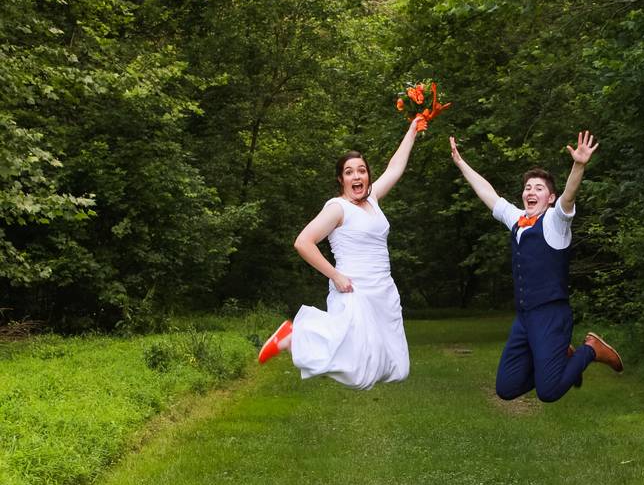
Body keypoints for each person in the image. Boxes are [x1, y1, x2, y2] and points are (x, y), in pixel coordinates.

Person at [449, 130, 624, 402]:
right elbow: (488, 193)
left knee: (549, 392)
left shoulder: (556, 221)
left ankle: (591, 350)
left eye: (539, 188)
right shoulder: (517, 219)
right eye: (528, 188)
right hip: (525, 318)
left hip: (551, 316)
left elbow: (569, 196)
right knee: (506, 389)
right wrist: (461, 164)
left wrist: (579, 164)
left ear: (550, 198)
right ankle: (559, 358)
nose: (531, 192)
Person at [257, 118, 420, 389]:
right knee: (359, 373)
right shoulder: (337, 208)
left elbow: (395, 168)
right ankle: (294, 335)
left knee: (398, 368)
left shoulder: (372, 200)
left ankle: (297, 336)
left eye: (362, 171)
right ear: (340, 179)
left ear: (368, 175)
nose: (357, 176)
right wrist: (335, 276)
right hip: (354, 290)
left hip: (383, 291)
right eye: (349, 172)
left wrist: (413, 129)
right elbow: (303, 242)